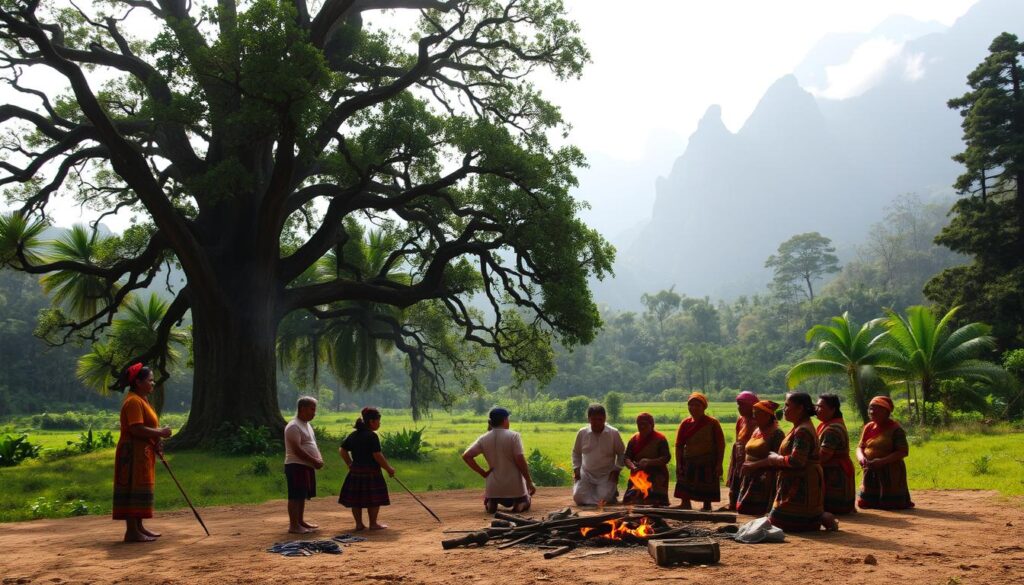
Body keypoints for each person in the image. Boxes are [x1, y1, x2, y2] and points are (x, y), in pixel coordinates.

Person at [744, 392, 837, 532]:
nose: (784, 410)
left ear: (800, 408)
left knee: (778, 521)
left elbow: (797, 461)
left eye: (787, 406)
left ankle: (821, 517)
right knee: (776, 518)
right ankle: (820, 516)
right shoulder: (800, 427)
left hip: (802, 482)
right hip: (797, 481)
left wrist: (775, 459)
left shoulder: (802, 431)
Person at [112, 363, 172, 543]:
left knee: (141, 486)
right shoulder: (132, 402)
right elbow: (136, 428)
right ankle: (131, 531)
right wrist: (160, 432)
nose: (153, 384)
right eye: (150, 380)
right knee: (132, 486)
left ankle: (139, 527)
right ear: (138, 382)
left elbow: (147, 426)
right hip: (131, 453)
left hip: (143, 452)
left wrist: (157, 440)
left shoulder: (142, 400)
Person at [462, 407, 537, 513]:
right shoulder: (514, 436)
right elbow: (520, 460)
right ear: (505, 420)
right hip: (515, 489)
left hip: (493, 489)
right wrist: (529, 481)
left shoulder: (483, 438)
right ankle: (520, 504)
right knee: (526, 499)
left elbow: (466, 456)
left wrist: (483, 472)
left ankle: (491, 503)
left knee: (492, 498)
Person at [339, 407, 396, 530]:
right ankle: (373, 523)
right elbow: (377, 455)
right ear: (371, 421)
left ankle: (359, 524)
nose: (379, 424)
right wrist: (389, 469)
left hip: (355, 472)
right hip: (371, 472)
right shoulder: (372, 436)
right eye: (378, 421)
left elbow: (342, 450)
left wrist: (350, 464)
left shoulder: (353, 435)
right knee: (374, 498)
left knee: (356, 499)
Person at [856, 396, 914, 510]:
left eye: (876, 409)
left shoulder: (896, 429)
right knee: (867, 503)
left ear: (886, 412)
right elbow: (860, 447)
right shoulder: (868, 427)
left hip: (891, 472)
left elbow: (903, 452)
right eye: (870, 408)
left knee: (891, 504)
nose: (872, 412)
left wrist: (882, 461)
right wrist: (862, 458)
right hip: (870, 471)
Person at [674, 392, 725, 511]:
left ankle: (707, 505)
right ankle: (685, 503)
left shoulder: (712, 423)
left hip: (707, 460)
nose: (693, 408)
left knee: (707, 485)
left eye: (697, 405)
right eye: (691, 405)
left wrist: (719, 464)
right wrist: (678, 463)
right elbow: (679, 445)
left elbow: (720, 445)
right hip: (688, 459)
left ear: (704, 407)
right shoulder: (685, 423)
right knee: (685, 484)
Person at [736, 399, 784, 516]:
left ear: (768, 416)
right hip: (750, 474)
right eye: (754, 413)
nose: (754, 416)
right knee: (744, 509)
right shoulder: (757, 430)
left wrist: (754, 465)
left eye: (757, 414)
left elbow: (775, 458)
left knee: (756, 510)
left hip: (764, 477)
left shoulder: (777, 433)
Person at [571, 404, 625, 506]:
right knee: (578, 497)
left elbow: (622, 454)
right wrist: (576, 469)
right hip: (586, 473)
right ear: (588, 419)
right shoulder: (582, 433)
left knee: (604, 497)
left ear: (605, 418)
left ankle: (608, 493)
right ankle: (602, 495)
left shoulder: (613, 433)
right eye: (593, 419)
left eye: (600, 419)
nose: (596, 423)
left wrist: (616, 470)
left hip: (606, 474)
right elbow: (576, 453)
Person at [284, 396, 324, 534]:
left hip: (306, 466)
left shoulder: (306, 425)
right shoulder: (293, 426)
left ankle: (300, 521)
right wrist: (314, 460)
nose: (314, 412)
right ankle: (293, 525)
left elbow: (311, 444)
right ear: (302, 409)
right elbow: (297, 449)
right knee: (295, 495)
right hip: (296, 465)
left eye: (315, 410)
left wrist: (319, 458)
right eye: (312, 409)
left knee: (302, 495)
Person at [816, 393, 856, 515]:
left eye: (821, 407)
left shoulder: (832, 429)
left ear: (832, 409)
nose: (817, 410)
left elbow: (824, 455)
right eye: (817, 406)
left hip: (835, 470)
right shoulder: (828, 425)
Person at [622, 412, 671, 506]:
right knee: (631, 502)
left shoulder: (660, 439)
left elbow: (666, 458)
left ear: (652, 425)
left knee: (656, 503)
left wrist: (649, 462)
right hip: (637, 474)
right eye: (639, 424)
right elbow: (627, 457)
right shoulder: (634, 439)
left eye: (645, 424)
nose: (642, 427)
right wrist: (631, 466)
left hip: (656, 475)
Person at [724, 391, 759, 511]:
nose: (739, 408)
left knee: (746, 478)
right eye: (738, 405)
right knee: (736, 477)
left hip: (750, 454)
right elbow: (737, 437)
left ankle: (743, 504)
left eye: (743, 405)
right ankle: (732, 503)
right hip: (738, 452)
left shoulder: (758, 420)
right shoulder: (741, 420)